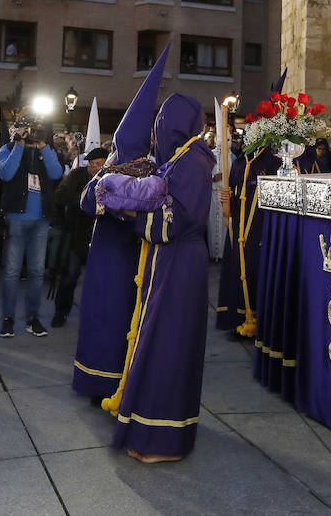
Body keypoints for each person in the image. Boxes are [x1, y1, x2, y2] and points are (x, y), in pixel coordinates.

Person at [110, 93, 214, 462]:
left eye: (160, 124)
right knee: (155, 340)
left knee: (169, 344)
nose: (157, 132)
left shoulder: (192, 161)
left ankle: (164, 440)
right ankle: (149, 429)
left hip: (181, 261)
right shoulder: (179, 160)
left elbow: (183, 219)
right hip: (169, 259)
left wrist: (132, 213)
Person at [72, 44, 170, 398]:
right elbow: (86, 203)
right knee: (111, 315)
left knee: (114, 317)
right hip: (114, 255)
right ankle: (107, 379)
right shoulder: (116, 172)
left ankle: (107, 379)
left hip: (126, 254)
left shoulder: (144, 174)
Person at [0, 117, 63, 338]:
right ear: (15, 130)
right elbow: (6, 173)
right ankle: (8, 318)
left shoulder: (45, 150)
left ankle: (32, 319)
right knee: (12, 272)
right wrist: (19, 144)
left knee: (36, 272)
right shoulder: (7, 149)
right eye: (23, 129)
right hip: (16, 219)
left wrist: (43, 144)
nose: (29, 132)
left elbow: (56, 174)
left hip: (41, 221)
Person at [216, 126, 280, 337]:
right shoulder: (239, 162)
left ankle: (256, 319)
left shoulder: (273, 162)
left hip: (259, 226)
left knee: (254, 267)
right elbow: (234, 189)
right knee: (236, 267)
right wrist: (227, 198)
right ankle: (237, 319)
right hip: (238, 224)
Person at [51, 146, 108, 327]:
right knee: (69, 276)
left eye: (98, 165)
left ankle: (94, 316)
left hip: (101, 239)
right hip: (76, 236)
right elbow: (60, 196)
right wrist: (83, 201)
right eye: (92, 164)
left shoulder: (112, 179)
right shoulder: (77, 175)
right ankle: (61, 311)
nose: (94, 168)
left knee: (99, 280)